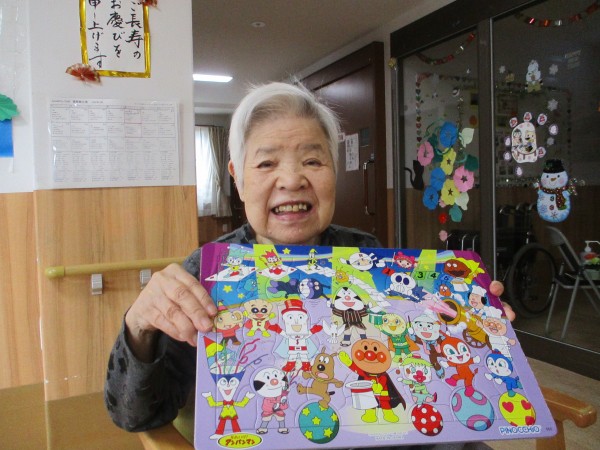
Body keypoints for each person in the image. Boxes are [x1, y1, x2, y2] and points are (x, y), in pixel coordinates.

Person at [104, 82, 512, 439]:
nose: (292, 180)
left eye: (313, 161)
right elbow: (135, 415)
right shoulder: (209, 272)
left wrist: (474, 322)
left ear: (334, 172)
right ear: (238, 178)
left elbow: (413, 364)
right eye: (266, 163)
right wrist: (139, 327)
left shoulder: (364, 252)